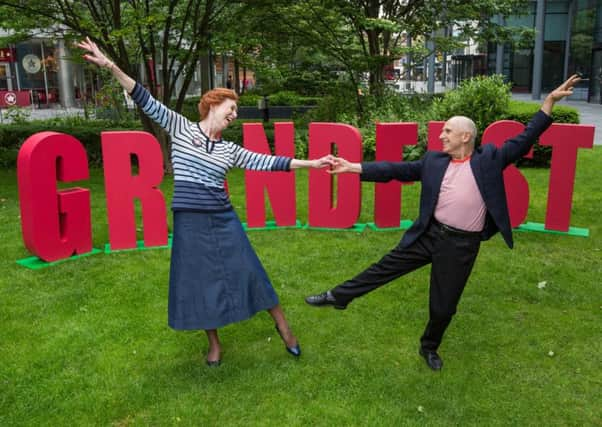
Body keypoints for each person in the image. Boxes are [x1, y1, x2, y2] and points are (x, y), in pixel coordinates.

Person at [77, 37, 334, 367]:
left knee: (250, 270)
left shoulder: (229, 149)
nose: (235, 114)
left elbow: (268, 161)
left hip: (223, 218)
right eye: (232, 107)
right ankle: (214, 345)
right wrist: (111, 65)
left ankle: (283, 326)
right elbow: (143, 97)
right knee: (199, 282)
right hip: (190, 222)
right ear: (213, 104)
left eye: (237, 111)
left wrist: (311, 164)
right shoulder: (180, 127)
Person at [305, 75, 580, 371]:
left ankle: (429, 347)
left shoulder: (490, 158)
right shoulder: (434, 161)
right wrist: (352, 168)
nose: (441, 136)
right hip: (429, 234)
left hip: (461, 245)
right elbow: (395, 169)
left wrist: (549, 101)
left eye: (448, 131)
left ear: (466, 136)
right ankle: (338, 297)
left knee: (444, 305)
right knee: (384, 267)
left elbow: (526, 136)